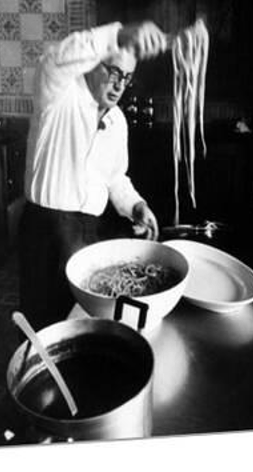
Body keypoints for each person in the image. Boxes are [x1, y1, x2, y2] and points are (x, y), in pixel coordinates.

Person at [18, 21, 168, 330]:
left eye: (126, 77)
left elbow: (115, 177)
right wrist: (119, 35)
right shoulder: (59, 93)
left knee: (78, 320)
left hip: (88, 231)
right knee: (42, 324)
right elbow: (55, 59)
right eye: (113, 72)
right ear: (92, 64)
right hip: (47, 231)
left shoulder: (117, 121)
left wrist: (136, 205)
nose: (119, 85)